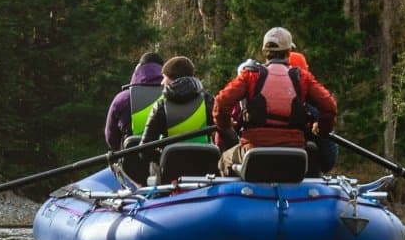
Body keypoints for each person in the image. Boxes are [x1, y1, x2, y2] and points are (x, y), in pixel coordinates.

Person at [214, 26, 338, 176]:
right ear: (288, 52)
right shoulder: (303, 78)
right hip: (294, 154)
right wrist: (322, 127)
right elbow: (329, 107)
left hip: (254, 151)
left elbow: (221, 102)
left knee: (223, 160)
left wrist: (226, 124)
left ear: (264, 52)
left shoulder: (250, 75)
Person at [104, 51, 166, 181]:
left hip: (131, 169)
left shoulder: (122, 99)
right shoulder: (171, 97)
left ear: (137, 71)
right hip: (167, 165)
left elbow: (111, 139)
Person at [130, 56, 212, 150]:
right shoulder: (208, 101)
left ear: (173, 79)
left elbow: (145, 150)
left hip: (171, 163)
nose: (161, 82)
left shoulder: (160, 107)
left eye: (164, 77)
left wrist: (161, 159)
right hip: (205, 162)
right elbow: (227, 134)